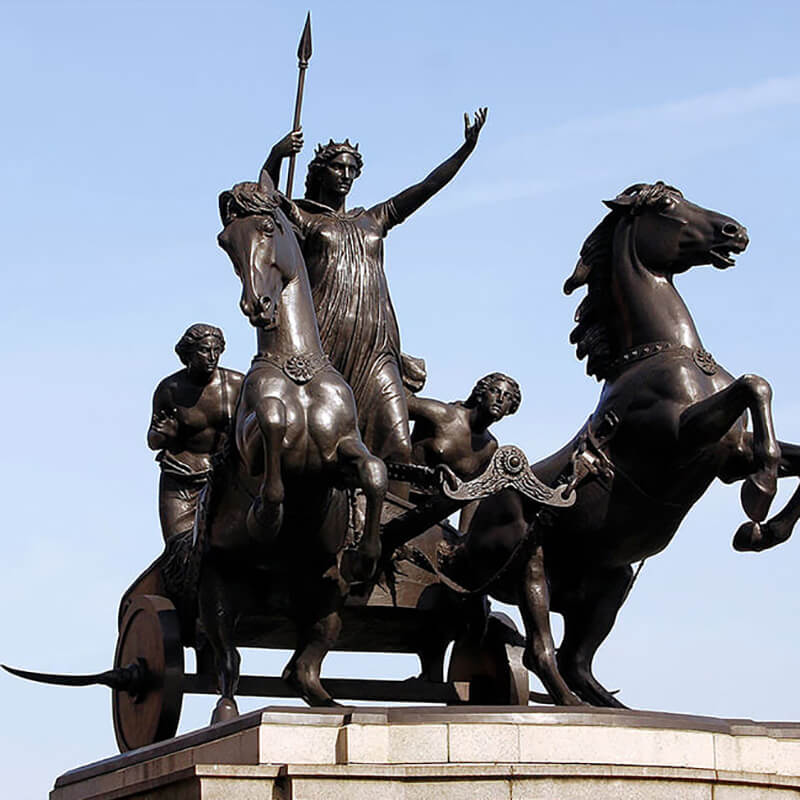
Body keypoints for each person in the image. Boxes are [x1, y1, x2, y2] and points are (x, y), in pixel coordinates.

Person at [261, 110, 487, 476]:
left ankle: (391, 529)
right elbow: (263, 200)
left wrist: (465, 150)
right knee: (320, 443)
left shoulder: (374, 219)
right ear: (320, 171)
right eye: (339, 168)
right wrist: (276, 154)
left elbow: (426, 187)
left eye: (353, 170)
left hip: (376, 346)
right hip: (324, 341)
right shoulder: (303, 219)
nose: (347, 176)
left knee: (396, 444)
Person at [147, 324, 244, 541]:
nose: (212, 357)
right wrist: (166, 435)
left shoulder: (237, 385)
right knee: (179, 550)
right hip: (181, 479)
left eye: (216, 350)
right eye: (204, 350)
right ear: (189, 354)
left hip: (227, 479)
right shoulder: (169, 389)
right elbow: (152, 440)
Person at [408, 372, 521, 529]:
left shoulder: (490, 446)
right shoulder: (441, 414)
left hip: (431, 517)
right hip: (396, 496)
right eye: (495, 391)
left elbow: (472, 493)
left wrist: (463, 537)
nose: (500, 399)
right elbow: (391, 407)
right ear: (480, 394)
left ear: (510, 409)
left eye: (508, 397)